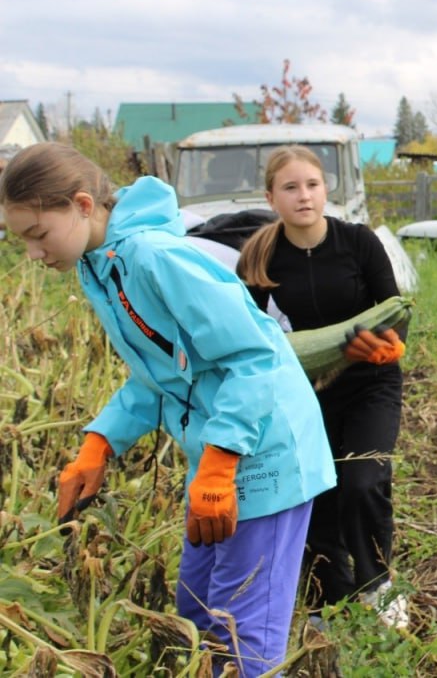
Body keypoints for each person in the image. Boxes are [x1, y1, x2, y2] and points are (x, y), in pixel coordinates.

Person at [0, 142, 336, 678]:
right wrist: (100, 443)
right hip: (216, 453)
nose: (34, 255)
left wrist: (223, 461)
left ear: (83, 205)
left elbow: (256, 355)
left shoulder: (157, 258)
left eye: (37, 235)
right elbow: (160, 375)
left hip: (264, 450)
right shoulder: (101, 267)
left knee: (237, 636)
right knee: (194, 613)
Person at [236, 145, 409, 629]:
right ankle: (326, 599)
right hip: (303, 390)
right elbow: (246, 331)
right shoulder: (260, 255)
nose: (303, 196)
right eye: (290, 187)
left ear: (325, 189)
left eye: (311, 185)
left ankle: (378, 584)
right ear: (271, 197)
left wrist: (388, 345)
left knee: (363, 480)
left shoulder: (358, 244)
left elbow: (393, 310)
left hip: (370, 383)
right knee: (314, 493)